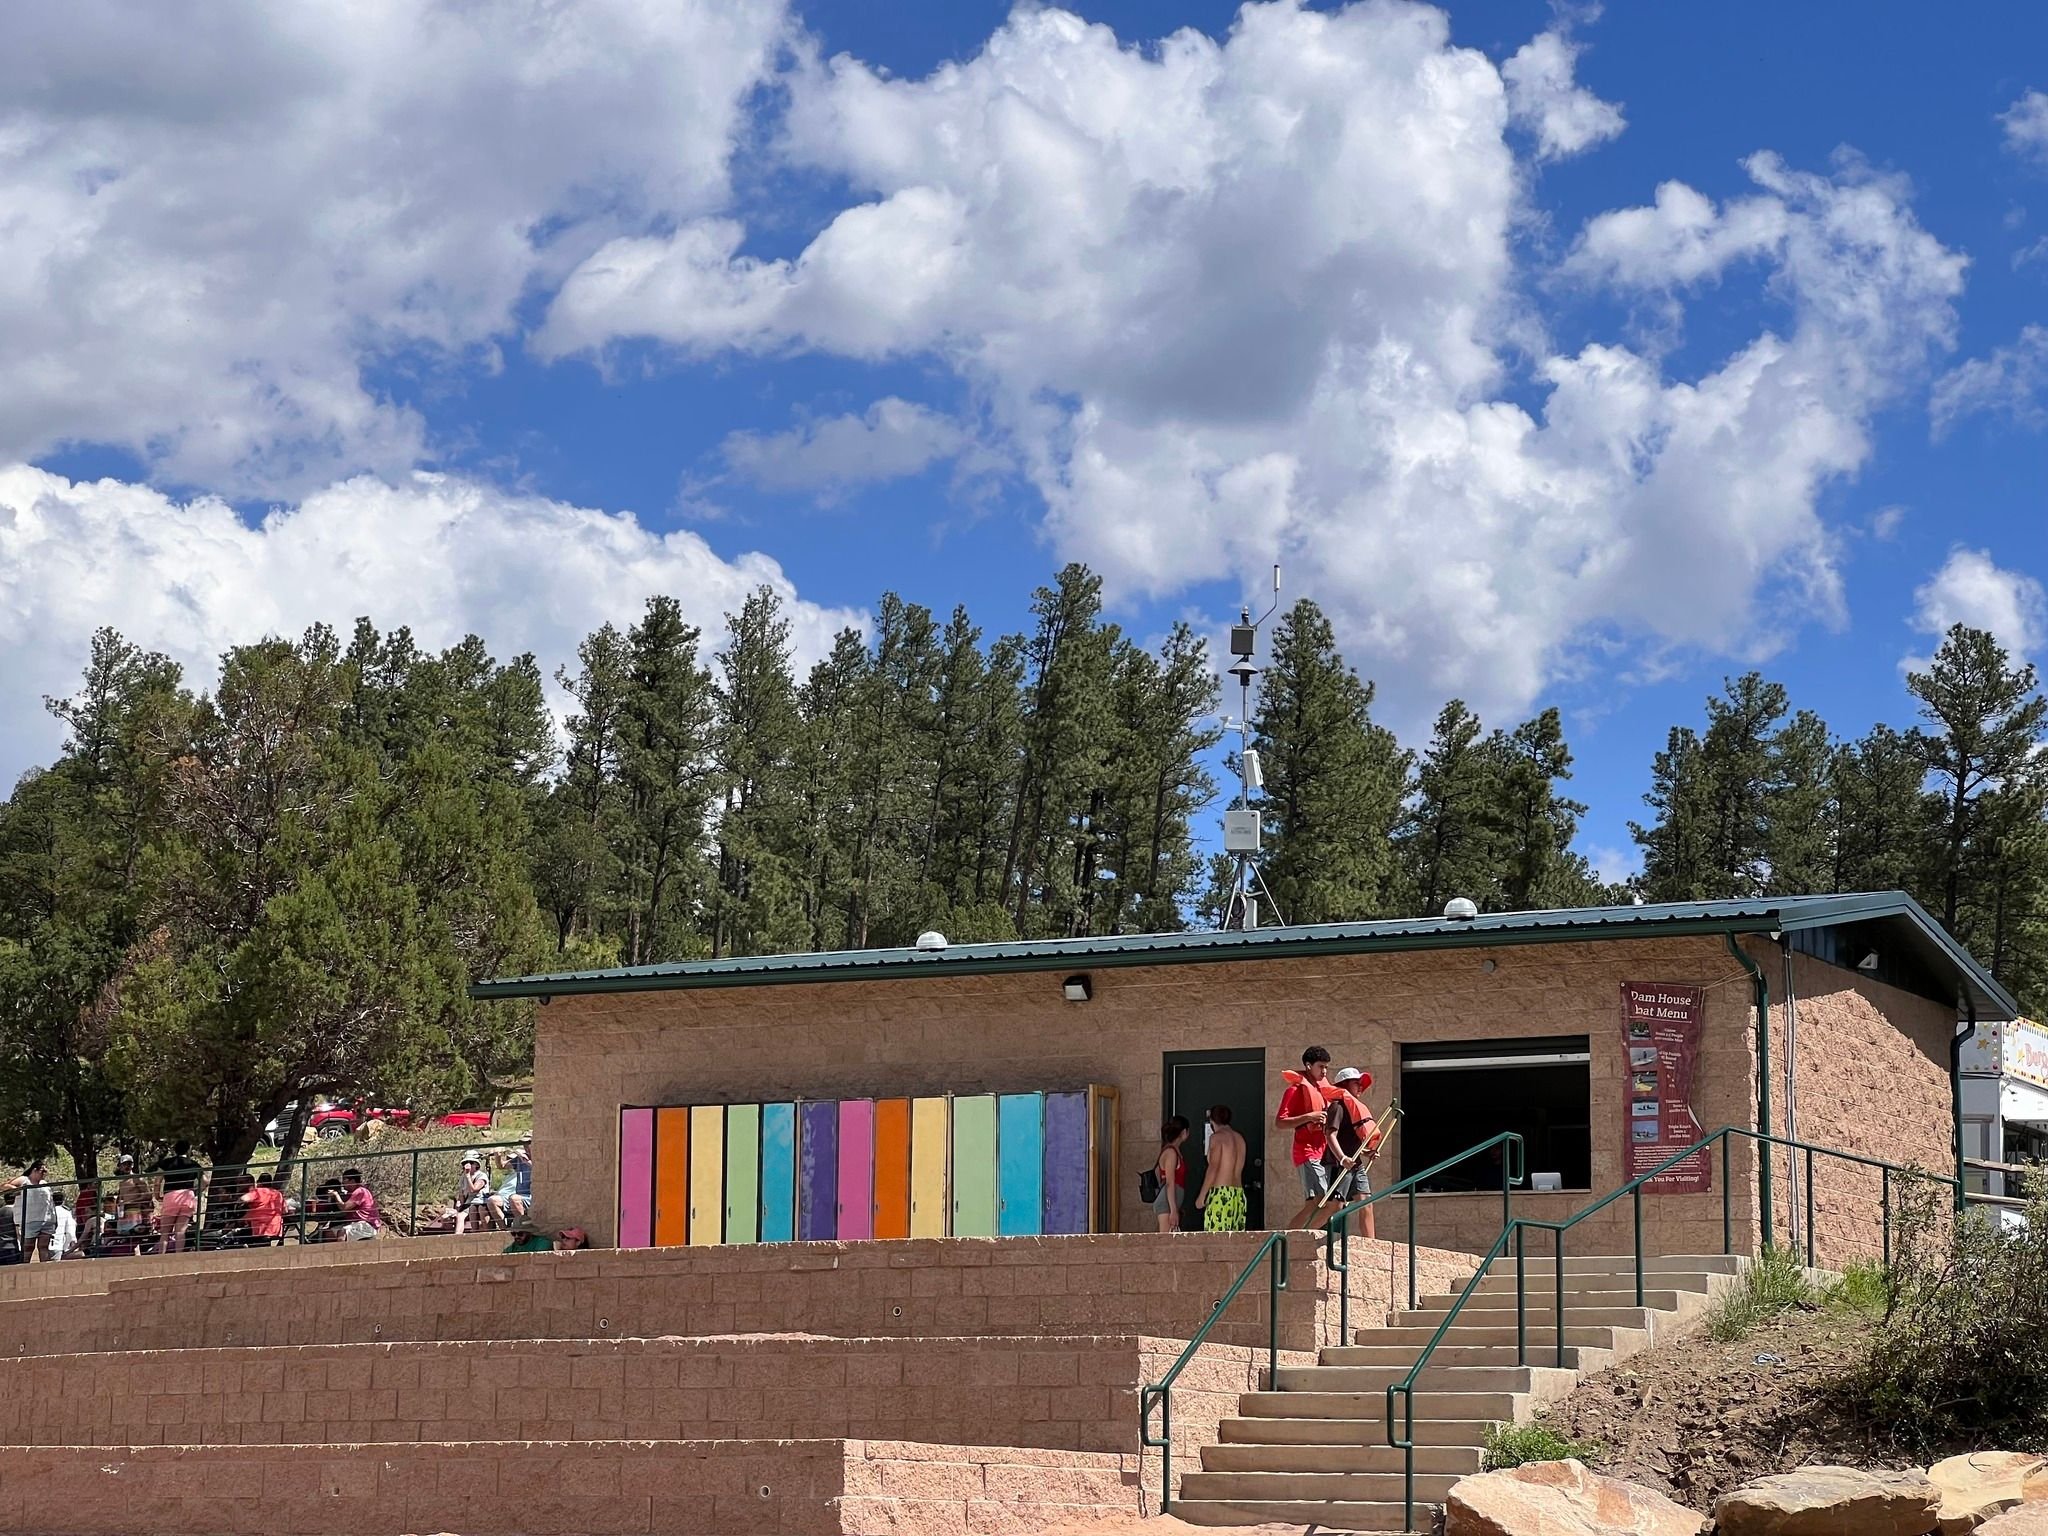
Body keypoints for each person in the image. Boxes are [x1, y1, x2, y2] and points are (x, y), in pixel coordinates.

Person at [1278, 1046, 1337, 1229]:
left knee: (1315, 1204)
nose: (1324, 1071)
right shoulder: (1295, 1090)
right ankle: (1296, 1240)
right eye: (1321, 1066)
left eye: (1326, 1067)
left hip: (1323, 1154)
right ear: (1308, 1065)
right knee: (1325, 1202)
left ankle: (1293, 1240)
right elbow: (1280, 1122)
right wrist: (1309, 1117)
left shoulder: (1322, 1091)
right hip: (1307, 1152)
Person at [1323, 1067, 1381, 1239]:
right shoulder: (1337, 1107)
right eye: (1357, 1083)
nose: (1360, 1087)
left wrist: (1367, 1152)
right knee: (1336, 1206)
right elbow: (1330, 1135)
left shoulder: (1354, 1108)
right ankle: (1305, 1234)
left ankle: (1371, 1245)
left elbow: (1351, 1141)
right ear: (1344, 1085)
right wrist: (1342, 1158)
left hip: (1355, 1165)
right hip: (1338, 1164)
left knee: (1366, 1202)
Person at [1194, 1104, 1248, 1233]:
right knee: (1236, 1240)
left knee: (1216, 1241)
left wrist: (1202, 1195)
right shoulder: (1240, 1138)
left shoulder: (1217, 1138)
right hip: (1238, 1195)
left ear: (1212, 1121)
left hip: (1221, 1195)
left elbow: (1214, 1167)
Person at [152, 1142, 204, 1254]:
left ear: (174, 1150)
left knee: (165, 1231)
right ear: (188, 1149)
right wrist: (196, 1191)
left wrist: (157, 1195)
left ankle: (161, 1256)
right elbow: (205, 1181)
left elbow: (157, 1181)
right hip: (187, 1197)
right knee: (181, 1231)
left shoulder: (166, 1163)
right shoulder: (194, 1164)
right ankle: (178, 1256)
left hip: (171, 1196)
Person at [4, 1165, 57, 1262]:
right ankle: (24, 1270)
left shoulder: (45, 1184)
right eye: (42, 1171)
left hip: (47, 1220)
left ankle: (45, 1270)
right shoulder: (24, 1180)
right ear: (34, 1170)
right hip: (29, 1220)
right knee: (28, 1248)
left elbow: (50, 1202)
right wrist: (16, 1190)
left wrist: (54, 1219)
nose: (44, 1173)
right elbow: (4, 1186)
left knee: (44, 1247)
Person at [1151, 1117, 1190, 1233]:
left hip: (1171, 1202)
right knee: (1165, 1241)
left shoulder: (1174, 1151)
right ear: (1184, 1132)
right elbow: (1170, 1182)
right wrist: (1173, 1210)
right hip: (1167, 1203)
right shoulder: (1171, 1153)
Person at [488, 1135, 532, 1226]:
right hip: (519, 1196)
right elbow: (502, 1166)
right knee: (492, 1201)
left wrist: (527, 1162)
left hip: (532, 1197)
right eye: (524, 1144)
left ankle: (523, 1228)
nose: (525, 1146)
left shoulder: (542, 1157)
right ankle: (505, 1230)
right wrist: (498, 1155)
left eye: (528, 1143)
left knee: (514, 1198)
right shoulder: (520, 1158)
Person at [115, 1154, 153, 1241]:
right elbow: (120, 1198)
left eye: (129, 1164)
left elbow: (147, 1195)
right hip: (124, 1214)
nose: (127, 1166)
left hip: (136, 1212)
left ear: (132, 1165)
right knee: (124, 1238)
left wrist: (131, 1202)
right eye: (124, 1164)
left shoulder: (137, 1178)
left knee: (135, 1238)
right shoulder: (122, 1182)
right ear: (120, 1166)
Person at [453, 1153, 494, 1234]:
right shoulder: (463, 1178)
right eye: (465, 1163)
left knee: (476, 1209)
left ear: (476, 1164)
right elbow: (461, 1194)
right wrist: (459, 1205)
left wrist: (468, 1176)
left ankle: (483, 1235)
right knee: (460, 1216)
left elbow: (474, 1189)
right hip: (468, 1204)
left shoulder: (482, 1176)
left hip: (480, 1202)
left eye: (470, 1162)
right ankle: (457, 1237)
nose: (467, 1165)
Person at [241, 1173, 287, 1244]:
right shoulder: (278, 1194)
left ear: (259, 1183)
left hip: (260, 1229)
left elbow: (244, 1199)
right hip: (275, 1230)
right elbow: (285, 1211)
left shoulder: (258, 1191)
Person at [341, 1168, 381, 1240]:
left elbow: (344, 1207)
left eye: (344, 1180)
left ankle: (340, 1251)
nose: (342, 1183)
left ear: (352, 1181)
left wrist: (336, 1196)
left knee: (342, 1233)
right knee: (328, 1233)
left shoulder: (360, 1191)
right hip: (355, 1223)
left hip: (367, 1225)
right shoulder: (350, 1193)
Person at [48, 1190, 79, 1260]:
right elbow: (70, 1233)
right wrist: (65, 1247)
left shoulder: (47, 1212)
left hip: (45, 1246)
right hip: (58, 1246)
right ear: (63, 1201)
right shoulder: (66, 1213)